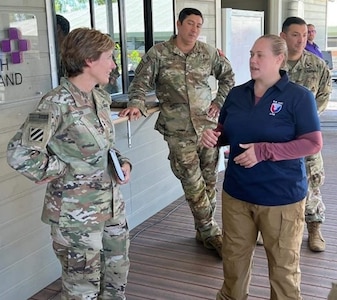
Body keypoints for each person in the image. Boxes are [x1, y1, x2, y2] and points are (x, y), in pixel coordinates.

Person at [7, 28, 131, 300]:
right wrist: (62, 169)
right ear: (89, 60)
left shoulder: (99, 97)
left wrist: (122, 162)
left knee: (115, 277)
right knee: (81, 291)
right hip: (75, 217)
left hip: (110, 206)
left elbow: (104, 145)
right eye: (109, 57)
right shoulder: (55, 103)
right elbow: (20, 154)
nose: (114, 65)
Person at [201, 34, 322, 299]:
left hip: (280, 199)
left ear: (279, 59)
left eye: (260, 55)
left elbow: (313, 143)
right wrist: (215, 137)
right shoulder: (236, 94)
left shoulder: (298, 97)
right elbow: (227, 131)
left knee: (283, 270)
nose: (252, 60)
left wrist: (264, 151)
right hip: (237, 195)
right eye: (251, 54)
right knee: (234, 264)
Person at [119, 7, 235, 258]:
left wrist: (220, 101)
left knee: (209, 182)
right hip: (178, 130)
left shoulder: (208, 52)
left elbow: (228, 77)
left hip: (207, 127)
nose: (194, 29)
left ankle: (202, 230)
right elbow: (139, 84)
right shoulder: (158, 54)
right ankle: (212, 232)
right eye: (190, 23)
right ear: (178, 24)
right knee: (193, 184)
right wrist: (136, 104)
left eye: (199, 25)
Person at [281, 16, 332, 252]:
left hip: (307, 136)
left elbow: (323, 96)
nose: (301, 39)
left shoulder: (317, 65)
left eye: (304, 35)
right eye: (295, 34)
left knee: (312, 179)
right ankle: (273, 226)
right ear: (283, 36)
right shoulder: (273, 63)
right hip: (278, 136)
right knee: (276, 179)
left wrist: (305, 122)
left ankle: (314, 228)